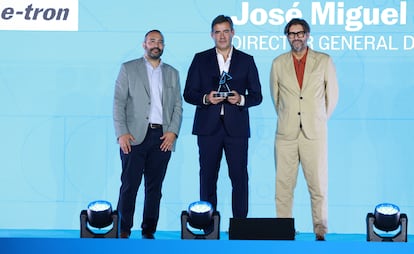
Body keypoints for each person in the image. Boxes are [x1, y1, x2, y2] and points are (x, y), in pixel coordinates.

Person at [183, 15, 262, 219]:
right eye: (217, 32)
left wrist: (241, 99)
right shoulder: (200, 59)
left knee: (239, 178)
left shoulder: (246, 60)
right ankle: (207, 225)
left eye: (226, 31)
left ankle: (240, 226)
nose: (222, 36)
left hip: (236, 129)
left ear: (233, 33)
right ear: (212, 35)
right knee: (207, 178)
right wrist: (206, 98)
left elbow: (257, 96)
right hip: (208, 129)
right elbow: (188, 93)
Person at [270, 18, 339, 241]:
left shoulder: (324, 61)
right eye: (291, 34)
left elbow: (332, 97)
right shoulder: (278, 63)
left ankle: (320, 230)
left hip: (314, 133)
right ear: (287, 36)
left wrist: (317, 119)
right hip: (286, 134)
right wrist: (290, 116)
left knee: (318, 185)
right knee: (283, 185)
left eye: (300, 33)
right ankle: (283, 228)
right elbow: (276, 97)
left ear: (307, 35)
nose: (296, 37)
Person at [113, 29, 183, 239]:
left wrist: (172, 132)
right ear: (144, 44)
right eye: (152, 41)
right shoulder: (128, 68)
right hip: (133, 137)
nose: (156, 44)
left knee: (155, 188)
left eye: (160, 42)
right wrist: (122, 133)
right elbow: (118, 102)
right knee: (129, 185)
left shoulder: (172, 72)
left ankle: (148, 230)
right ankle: (123, 229)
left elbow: (178, 106)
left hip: (162, 137)